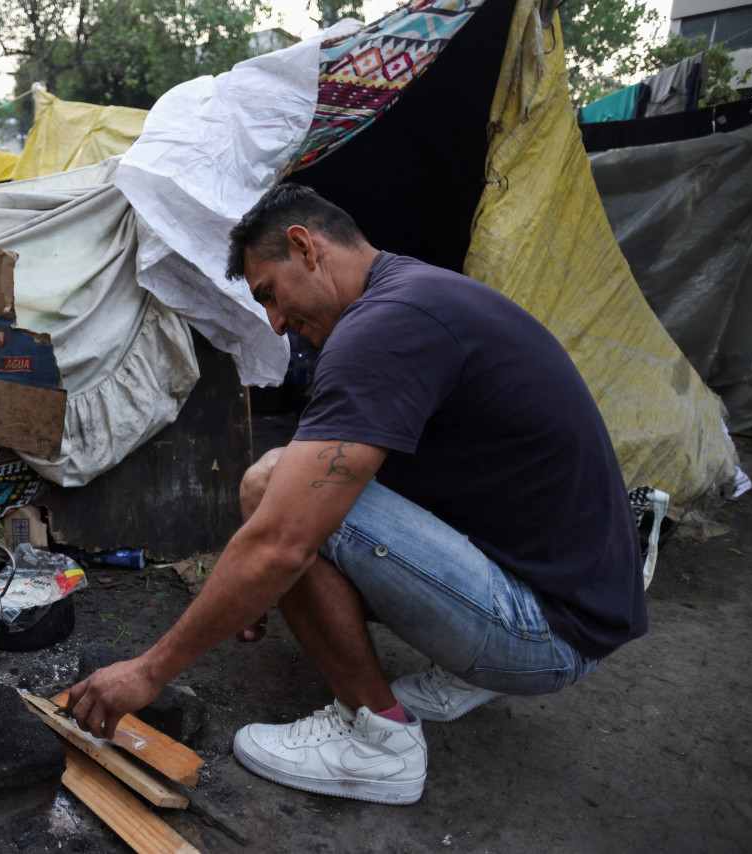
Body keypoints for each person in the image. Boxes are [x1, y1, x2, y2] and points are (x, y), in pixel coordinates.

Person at [65, 183, 646, 805]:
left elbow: (284, 540)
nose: (276, 322)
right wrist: (253, 581)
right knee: (292, 490)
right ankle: (467, 668)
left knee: (272, 492)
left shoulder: (382, 330)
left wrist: (149, 671)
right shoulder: (415, 291)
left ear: (304, 247)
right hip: (576, 598)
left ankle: (380, 740)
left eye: (270, 295)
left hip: (547, 633)